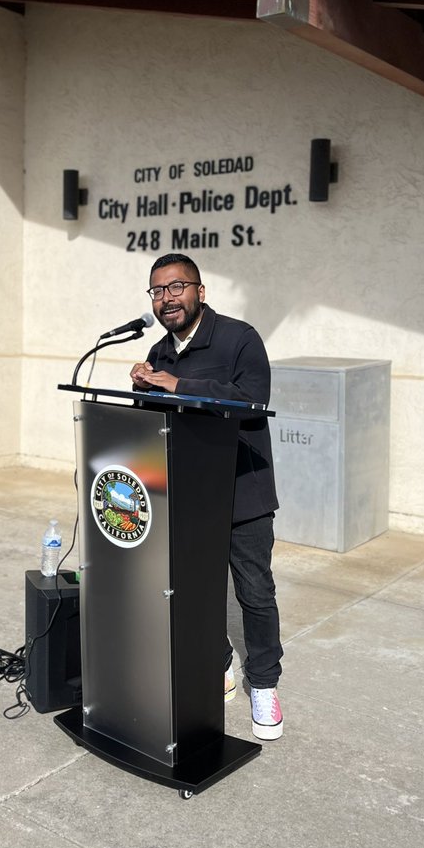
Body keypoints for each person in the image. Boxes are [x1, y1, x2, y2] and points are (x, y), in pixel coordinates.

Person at [130, 253, 284, 740]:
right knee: (197, 589)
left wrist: (180, 385)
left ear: (200, 291)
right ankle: (219, 663)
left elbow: (254, 400)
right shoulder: (159, 351)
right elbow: (156, 424)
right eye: (158, 291)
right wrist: (142, 388)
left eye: (176, 287)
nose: (167, 298)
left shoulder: (239, 338)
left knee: (254, 592)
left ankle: (265, 683)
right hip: (188, 494)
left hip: (243, 493)